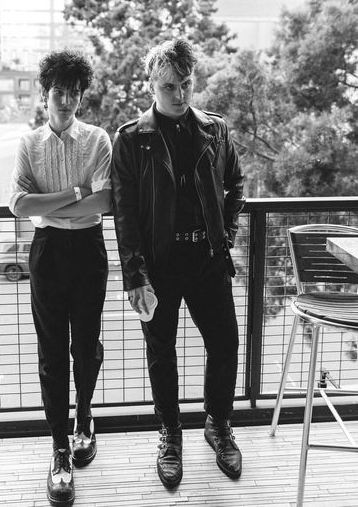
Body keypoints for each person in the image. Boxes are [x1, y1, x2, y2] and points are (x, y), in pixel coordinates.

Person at [111, 39, 245, 489]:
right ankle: (170, 434)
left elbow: (236, 185)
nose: (181, 95)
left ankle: (218, 424)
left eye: (187, 84)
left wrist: (225, 235)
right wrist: (135, 274)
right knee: (161, 353)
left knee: (225, 343)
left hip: (207, 259)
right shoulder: (132, 138)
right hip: (159, 264)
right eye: (170, 86)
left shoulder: (215, 129)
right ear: (151, 84)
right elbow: (125, 214)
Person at [8, 50, 112, 506]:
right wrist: (73, 194)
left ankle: (84, 417)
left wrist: (48, 202)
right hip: (47, 253)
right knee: (51, 354)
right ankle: (58, 451)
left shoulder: (98, 140)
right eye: (58, 92)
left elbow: (105, 202)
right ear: (45, 94)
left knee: (86, 346)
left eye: (74, 93)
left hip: (89, 250)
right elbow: (19, 205)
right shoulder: (28, 145)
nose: (66, 100)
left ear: (81, 97)